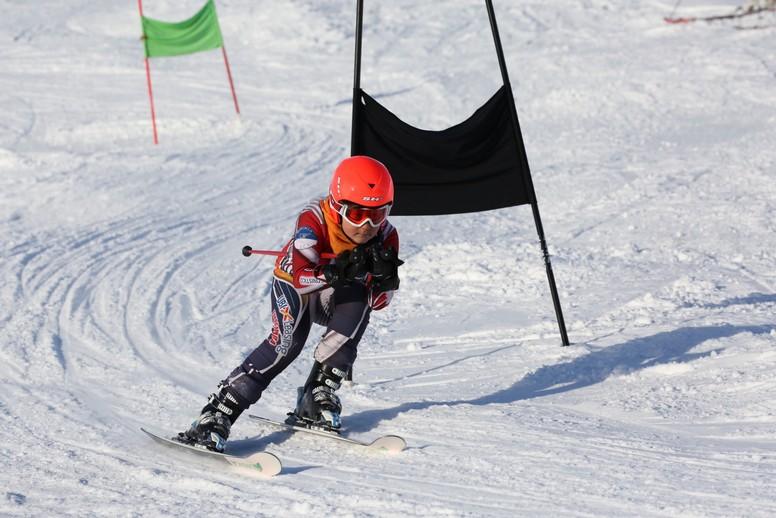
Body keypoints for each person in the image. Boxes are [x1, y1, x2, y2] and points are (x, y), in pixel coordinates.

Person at [180, 156, 404, 452]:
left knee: (358, 304)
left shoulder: (386, 235)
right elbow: (301, 280)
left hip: (334, 296)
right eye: (357, 213)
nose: (367, 225)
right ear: (337, 205)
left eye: (378, 214)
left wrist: (383, 281)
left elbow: (378, 303)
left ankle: (317, 394)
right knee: (285, 345)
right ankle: (216, 414)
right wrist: (334, 272)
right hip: (296, 286)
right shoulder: (314, 219)